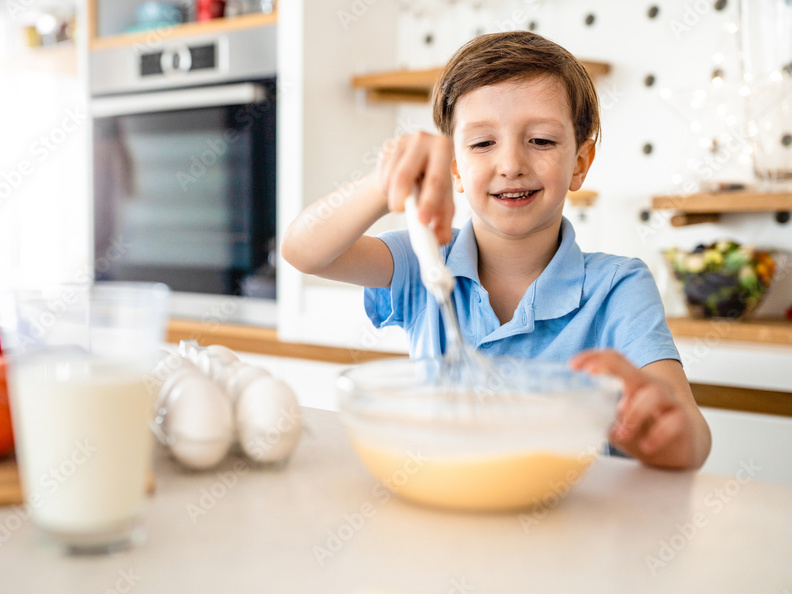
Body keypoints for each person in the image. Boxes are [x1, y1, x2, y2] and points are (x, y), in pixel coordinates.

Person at [281, 31, 710, 470]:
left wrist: (660, 428)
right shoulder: (426, 259)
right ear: (456, 169)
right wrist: (386, 180)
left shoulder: (618, 287)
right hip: (452, 510)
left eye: (541, 140)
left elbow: (692, 442)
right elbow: (305, 251)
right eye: (482, 143)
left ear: (579, 163)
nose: (510, 165)